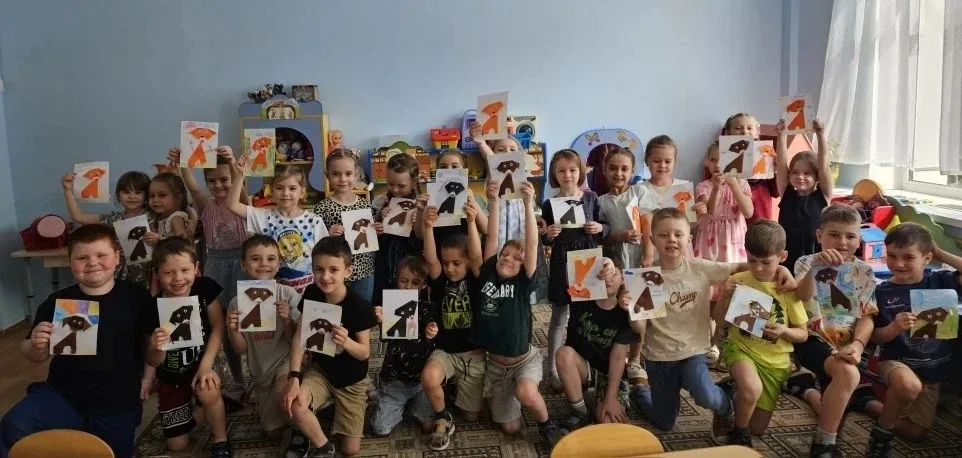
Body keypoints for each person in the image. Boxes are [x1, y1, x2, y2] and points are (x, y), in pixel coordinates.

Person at [629, 208, 795, 437]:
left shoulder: (700, 268)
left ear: (689, 238)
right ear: (652, 239)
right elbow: (639, 330)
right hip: (659, 357)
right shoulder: (646, 278)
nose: (671, 240)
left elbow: (743, 266)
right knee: (664, 423)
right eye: (664, 235)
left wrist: (782, 268)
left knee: (706, 394)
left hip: (693, 352)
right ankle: (639, 391)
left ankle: (727, 407)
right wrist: (634, 310)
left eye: (678, 234)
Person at [0, 224, 161, 458]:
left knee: (110, 453)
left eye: (101, 255)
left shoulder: (136, 296)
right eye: (82, 258)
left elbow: (151, 352)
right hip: (63, 394)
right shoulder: (57, 301)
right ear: (70, 262)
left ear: (117, 257)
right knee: (13, 425)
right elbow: (36, 355)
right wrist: (35, 344)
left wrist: (149, 375)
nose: (92, 263)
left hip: (118, 402)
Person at [475, 179, 563, 447]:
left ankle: (547, 424)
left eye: (517, 258)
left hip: (524, 360)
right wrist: (492, 201)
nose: (508, 258)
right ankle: (510, 394)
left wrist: (528, 204)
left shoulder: (523, 283)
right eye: (505, 254)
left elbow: (532, 245)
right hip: (496, 367)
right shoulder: (488, 272)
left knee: (526, 392)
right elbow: (492, 237)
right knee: (510, 428)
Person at [865, 223, 962, 457]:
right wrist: (895, 327)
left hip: (932, 370)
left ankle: (866, 402)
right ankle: (881, 435)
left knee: (916, 432)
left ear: (927, 258)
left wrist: (940, 253)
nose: (898, 264)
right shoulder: (882, 292)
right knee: (908, 386)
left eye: (908, 257)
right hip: (897, 362)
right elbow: (875, 337)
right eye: (892, 256)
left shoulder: (939, 280)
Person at [712, 221, 808, 445]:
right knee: (751, 390)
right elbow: (720, 322)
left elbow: (802, 334)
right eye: (752, 260)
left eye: (766, 262)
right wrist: (724, 298)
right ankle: (739, 434)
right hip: (741, 348)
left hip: (775, 362)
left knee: (757, 428)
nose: (758, 268)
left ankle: (730, 390)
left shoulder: (787, 288)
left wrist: (784, 331)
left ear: (782, 257)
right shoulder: (737, 281)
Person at [282, 237, 378, 458]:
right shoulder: (312, 293)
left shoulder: (359, 306)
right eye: (319, 269)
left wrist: (347, 342)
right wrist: (294, 377)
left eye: (333, 269)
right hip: (321, 371)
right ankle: (324, 446)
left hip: (351, 380)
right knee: (295, 404)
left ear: (348, 271)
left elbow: (364, 353)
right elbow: (300, 337)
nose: (325, 277)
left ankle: (354, 397)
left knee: (351, 450)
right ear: (313, 270)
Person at [793, 205, 877, 458]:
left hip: (846, 345)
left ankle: (806, 390)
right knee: (848, 377)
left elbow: (867, 316)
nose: (842, 242)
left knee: (836, 405)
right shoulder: (806, 262)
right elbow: (801, 296)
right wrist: (815, 267)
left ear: (859, 239)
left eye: (850, 236)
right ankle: (823, 447)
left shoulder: (864, 271)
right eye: (834, 235)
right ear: (820, 235)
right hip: (811, 339)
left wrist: (858, 345)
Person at [170, 145, 249, 407]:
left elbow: (239, 182)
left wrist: (232, 161)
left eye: (224, 179)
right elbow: (192, 187)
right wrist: (183, 163)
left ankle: (260, 375)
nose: (218, 185)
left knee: (250, 321)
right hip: (215, 265)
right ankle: (238, 380)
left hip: (243, 265)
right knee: (224, 323)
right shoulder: (206, 205)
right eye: (211, 181)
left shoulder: (242, 202)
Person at [143, 237, 231, 457]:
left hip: (204, 363)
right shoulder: (152, 308)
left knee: (207, 389)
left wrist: (206, 366)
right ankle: (203, 410)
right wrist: (157, 348)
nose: (178, 279)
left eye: (185, 270)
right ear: (157, 274)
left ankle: (221, 440)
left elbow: (218, 326)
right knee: (178, 445)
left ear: (196, 268)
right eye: (168, 273)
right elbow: (152, 360)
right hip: (171, 376)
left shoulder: (204, 288)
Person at [419, 192, 485, 451]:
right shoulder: (440, 279)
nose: (450, 268)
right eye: (446, 263)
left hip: (473, 355)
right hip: (445, 351)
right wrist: (427, 226)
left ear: (467, 261)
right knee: (429, 378)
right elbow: (431, 260)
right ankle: (443, 416)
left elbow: (477, 257)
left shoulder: (475, 278)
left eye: (457, 263)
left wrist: (472, 221)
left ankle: (455, 387)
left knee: (470, 416)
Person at [541, 149, 608, 389]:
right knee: (559, 316)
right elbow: (545, 239)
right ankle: (553, 368)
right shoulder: (549, 204)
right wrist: (549, 235)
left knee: (585, 316)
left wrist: (599, 228)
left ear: (580, 172)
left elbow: (606, 226)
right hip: (561, 262)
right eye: (561, 170)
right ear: (554, 174)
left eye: (572, 170)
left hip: (586, 260)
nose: (567, 175)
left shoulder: (591, 198)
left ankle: (584, 364)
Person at [224, 235, 301, 442]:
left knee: (286, 397)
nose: (264, 264)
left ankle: (303, 419)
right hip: (260, 371)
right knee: (273, 434)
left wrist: (287, 321)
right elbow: (240, 349)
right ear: (243, 264)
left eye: (270, 259)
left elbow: (297, 339)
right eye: (256, 259)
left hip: (285, 362)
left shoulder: (288, 295)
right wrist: (233, 329)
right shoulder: (236, 303)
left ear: (279, 263)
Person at [557, 257, 640, 431]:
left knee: (607, 421)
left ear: (622, 278)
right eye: (603, 273)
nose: (608, 278)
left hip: (610, 373)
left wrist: (610, 398)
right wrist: (603, 263)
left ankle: (600, 400)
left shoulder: (625, 312)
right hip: (582, 368)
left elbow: (618, 357)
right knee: (563, 354)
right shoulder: (581, 298)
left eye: (613, 274)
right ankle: (581, 412)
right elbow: (573, 267)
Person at [226, 157, 327, 294]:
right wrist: (240, 175)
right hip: (272, 293)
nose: (285, 193)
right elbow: (232, 205)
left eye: (292, 188)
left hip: (307, 291)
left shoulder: (314, 221)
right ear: (271, 191)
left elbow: (325, 256)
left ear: (302, 192)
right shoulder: (263, 217)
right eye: (279, 188)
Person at [597, 145, 651, 386]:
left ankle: (636, 360)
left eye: (624, 169)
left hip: (640, 259)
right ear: (604, 170)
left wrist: (648, 255)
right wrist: (620, 236)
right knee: (618, 310)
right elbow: (602, 238)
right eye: (613, 168)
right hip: (617, 262)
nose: (618, 173)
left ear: (632, 171)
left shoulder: (640, 192)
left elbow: (649, 225)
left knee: (640, 311)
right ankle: (615, 356)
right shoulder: (600, 201)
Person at [369, 256, 436, 436]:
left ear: (423, 285)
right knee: (380, 428)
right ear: (397, 280)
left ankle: (411, 404)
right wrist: (382, 321)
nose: (408, 287)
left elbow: (434, 337)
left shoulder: (428, 308)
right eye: (404, 281)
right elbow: (384, 339)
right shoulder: (391, 304)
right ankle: (388, 398)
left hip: (421, 381)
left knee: (428, 425)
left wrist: (430, 331)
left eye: (415, 282)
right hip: (395, 379)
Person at [61, 169, 153, 288]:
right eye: (126, 192)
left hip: (150, 275)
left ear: (147, 195)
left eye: (138, 192)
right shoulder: (114, 219)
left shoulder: (154, 216)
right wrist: (68, 190)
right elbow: (79, 217)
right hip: (120, 277)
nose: (132, 196)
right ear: (118, 195)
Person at [312, 148, 377, 302]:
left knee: (361, 310)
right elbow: (315, 243)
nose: (342, 179)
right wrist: (328, 234)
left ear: (356, 174)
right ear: (327, 175)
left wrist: (377, 230)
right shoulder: (322, 207)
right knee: (335, 310)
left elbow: (371, 238)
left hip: (364, 271)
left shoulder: (365, 205)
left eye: (348, 174)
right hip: (334, 274)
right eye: (336, 174)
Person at [776, 118, 833, 271]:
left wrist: (820, 134)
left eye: (807, 173)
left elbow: (824, 166)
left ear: (817, 177)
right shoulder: (787, 194)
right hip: (788, 256)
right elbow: (781, 165)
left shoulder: (823, 195)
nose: (800, 177)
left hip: (815, 256)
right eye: (795, 172)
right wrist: (782, 135)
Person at [371, 153, 423, 309]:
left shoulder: (421, 204)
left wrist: (418, 219)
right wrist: (380, 221)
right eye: (390, 184)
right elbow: (372, 235)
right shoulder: (380, 202)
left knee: (407, 307)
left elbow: (422, 238)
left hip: (409, 264)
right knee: (383, 307)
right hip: (384, 264)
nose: (395, 189)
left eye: (401, 186)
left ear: (414, 182)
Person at [719, 113, 777, 224]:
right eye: (738, 128)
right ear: (728, 132)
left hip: (760, 208)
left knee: (760, 232)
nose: (745, 132)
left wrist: (776, 170)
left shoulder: (766, 151)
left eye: (749, 128)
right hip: (733, 207)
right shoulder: (721, 154)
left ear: (757, 131)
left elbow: (775, 191)